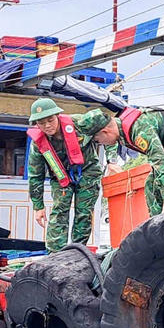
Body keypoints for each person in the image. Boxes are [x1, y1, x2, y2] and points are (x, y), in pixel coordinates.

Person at [87, 105, 164, 217]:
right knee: (151, 184)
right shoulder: (118, 128)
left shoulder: (140, 131)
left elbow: (160, 161)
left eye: (98, 142)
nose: (101, 144)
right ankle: (157, 226)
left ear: (105, 131)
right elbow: (110, 141)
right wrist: (112, 161)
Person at [26, 98, 107, 252]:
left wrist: (112, 159)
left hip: (88, 171)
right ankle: (54, 254)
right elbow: (35, 175)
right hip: (60, 176)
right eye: (42, 123)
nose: (47, 126)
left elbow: (107, 125)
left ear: (57, 116)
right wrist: (38, 206)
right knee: (59, 211)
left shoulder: (79, 123)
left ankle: (77, 251)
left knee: (83, 212)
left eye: (50, 120)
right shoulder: (37, 144)